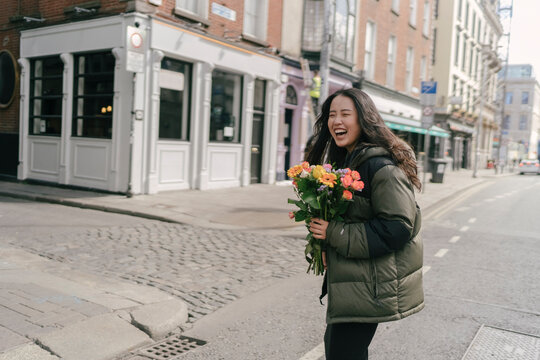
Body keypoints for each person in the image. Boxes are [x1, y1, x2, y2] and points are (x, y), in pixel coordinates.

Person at [305, 88, 424, 360]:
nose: (337, 121)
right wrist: (325, 243)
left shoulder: (381, 167)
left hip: (368, 287)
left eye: (346, 114)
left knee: (343, 353)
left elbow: (397, 229)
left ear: (364, 119)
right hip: (356, 282)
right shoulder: (350, 161)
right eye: (332, 115)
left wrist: (333, 232)